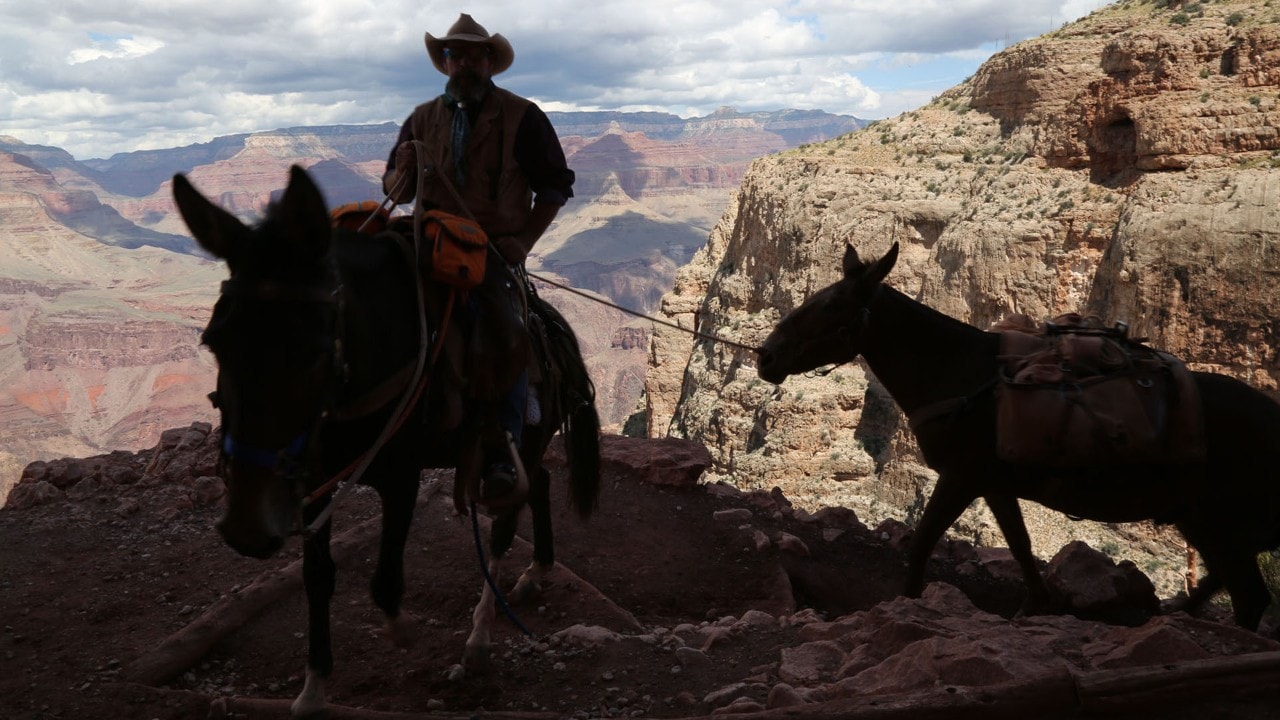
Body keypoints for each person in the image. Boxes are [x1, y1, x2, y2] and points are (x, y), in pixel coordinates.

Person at [382, 13, 575, 501]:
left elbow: (555, 186)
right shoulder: (422, 118)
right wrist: (399, 173)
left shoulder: (522, 116)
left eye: (473, 54)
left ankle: (503, 448)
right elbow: (397, 191)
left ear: (490, 61)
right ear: (444, 62)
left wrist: (524, 241)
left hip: (488, 247)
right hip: (426, 238)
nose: (463, 63)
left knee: (501, 328)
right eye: (454, 55)